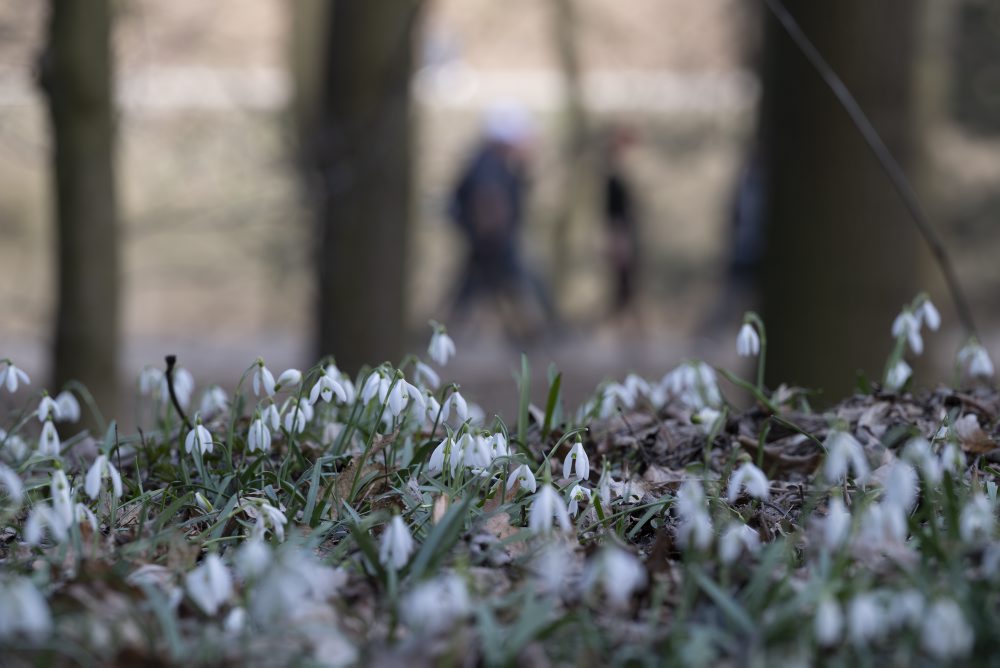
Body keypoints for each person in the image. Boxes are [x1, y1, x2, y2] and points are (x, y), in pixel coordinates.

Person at [447, 104, 554, 338]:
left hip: (489, 243)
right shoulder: (488, 165)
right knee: (513, 285)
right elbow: (488, 205)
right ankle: (531, 333)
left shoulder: (493, 162)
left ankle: (525, 333)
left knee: (474, 292)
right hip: (493, 243)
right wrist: (495, 239)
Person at [601, 124, 641, 323]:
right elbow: (612, 214)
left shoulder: (620, 177)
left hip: (627, 234)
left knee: (626, 289)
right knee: (623, 288)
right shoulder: (612, 180)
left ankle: (633, 329)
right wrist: (618, 240)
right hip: (622, 236)